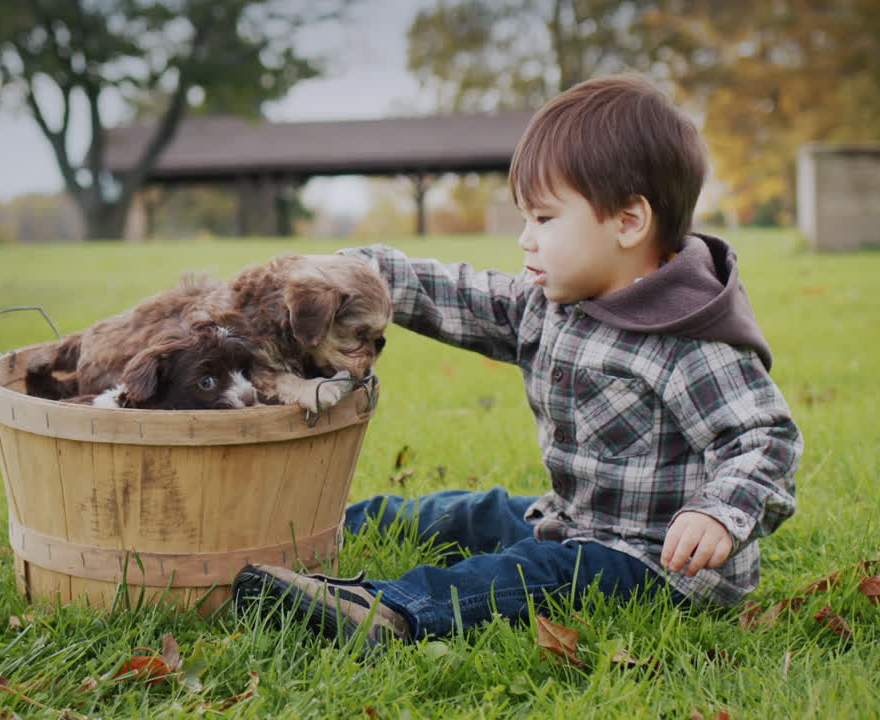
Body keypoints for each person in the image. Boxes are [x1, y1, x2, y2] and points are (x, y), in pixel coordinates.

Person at [231, 73, 802, 646]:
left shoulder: (688, 337)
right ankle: (313, 526)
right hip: (573, 521)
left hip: (658, 565)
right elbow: (453, 292)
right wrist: (349, 273)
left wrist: (719, 514)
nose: (525, 239)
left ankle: (384, 608)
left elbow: (764, 439)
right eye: (525, 218)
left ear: (629, 222)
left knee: (532, 574)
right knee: (465, 513)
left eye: (545, 219)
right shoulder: (552, 304)